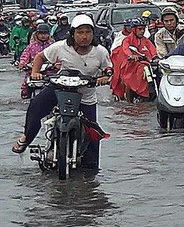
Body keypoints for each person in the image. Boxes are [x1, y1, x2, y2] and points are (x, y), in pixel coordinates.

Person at [12, 14, 112, 169]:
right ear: (72, 34)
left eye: (88, 32)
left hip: (86, 94)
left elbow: (108, 69)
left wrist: (104, 77)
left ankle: (91, 172)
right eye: (80, 32)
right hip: (60, 88)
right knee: (35, 106)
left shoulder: (101, 51)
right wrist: (35, 73)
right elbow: (40, 57)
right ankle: (26, 137)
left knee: (92, 133)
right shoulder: (60, 47)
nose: (85, 37)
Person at [113, 18, 158, 102]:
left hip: (144, 63)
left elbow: (152, 48)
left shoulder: (145, 40)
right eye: (140, 29)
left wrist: (155, 57)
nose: (142, 31)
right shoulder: (127, 39)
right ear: (134, 29)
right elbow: (125, 49)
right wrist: (131, 55)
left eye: (143, 29)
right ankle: (129, 100)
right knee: (128, 79)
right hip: (130, 64)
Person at [18, 23, 54, 99]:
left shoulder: (53, 46)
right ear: (37, 34)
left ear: (49, 34)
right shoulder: (31, 46)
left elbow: (59, 57)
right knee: (25, 87)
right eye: (40, 33)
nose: (43, 36)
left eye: (45, 33)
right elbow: (25, 55)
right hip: (33, 71)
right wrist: (22, 63)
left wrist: (57, 64)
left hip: (49, 72)